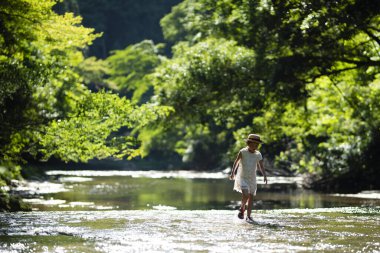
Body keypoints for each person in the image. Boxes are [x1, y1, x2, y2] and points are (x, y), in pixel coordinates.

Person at [229, 134, 267, 222]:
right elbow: (236, 162)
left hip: (252, 178)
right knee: (245, 194)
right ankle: (242, 208)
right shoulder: (243, 152)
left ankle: (249, 216)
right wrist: (232, 173)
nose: (255, 147)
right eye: (254, 144)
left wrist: (264, 175)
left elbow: (261, 166)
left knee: (251, 197)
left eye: (257, 145)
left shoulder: (258, 154)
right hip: (242, 177)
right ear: (249, 143)